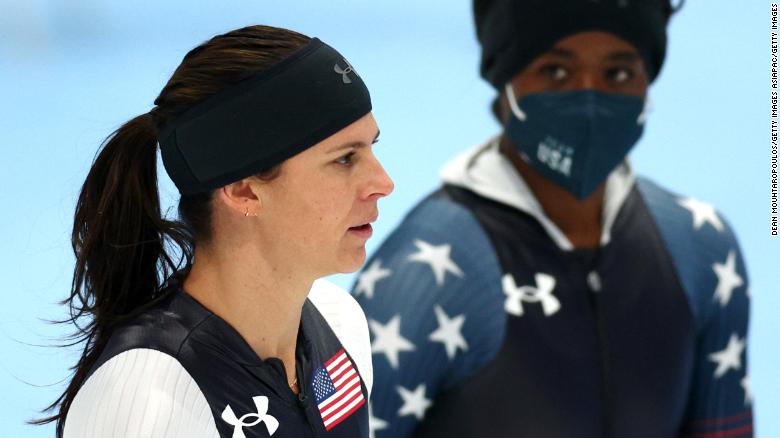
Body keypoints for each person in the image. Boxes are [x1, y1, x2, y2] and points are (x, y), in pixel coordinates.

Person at [352, 1, 752, 437]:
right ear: (505, 81)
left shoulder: (699, 247)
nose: (588, 97)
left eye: (617, 74)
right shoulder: (427, 275)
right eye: (555, 72)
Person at [36, 25, 394, 438]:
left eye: (372, 147)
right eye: (345, 159)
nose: (383, 182)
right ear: (244, 190)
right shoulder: (146, 401)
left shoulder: (339, 323)